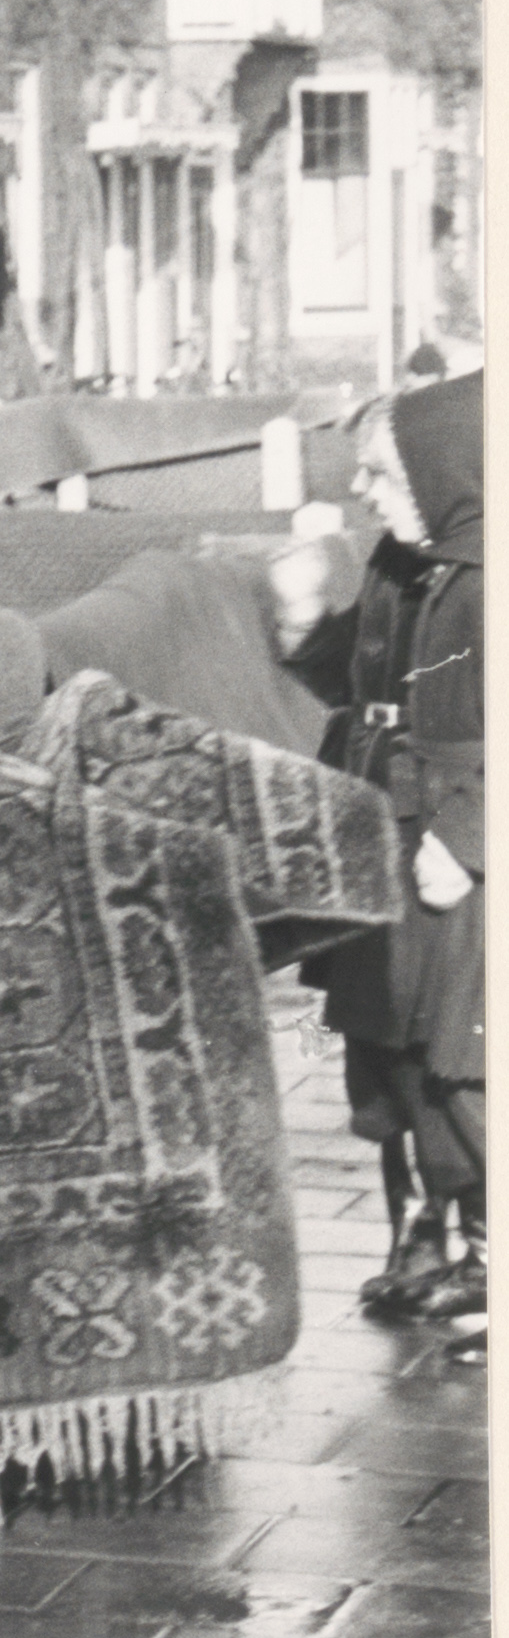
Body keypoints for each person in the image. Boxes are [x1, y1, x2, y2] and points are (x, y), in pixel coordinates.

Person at [295, 374, 484, 1348]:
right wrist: (304, 628)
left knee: (459, 1050)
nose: (362, 490)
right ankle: (420, 1231)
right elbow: (369, 678)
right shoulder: (408, 561)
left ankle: (484, 1252)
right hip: (382, 819)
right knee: (385, 1043)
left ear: (443, 468)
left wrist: (470, 836)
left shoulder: (485, 578)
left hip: (442, 834)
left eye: (381, 471)